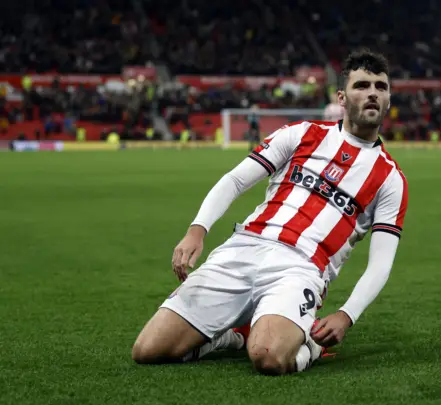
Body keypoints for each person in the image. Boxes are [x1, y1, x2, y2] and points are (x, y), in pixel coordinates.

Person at [131, 48, 409, 376]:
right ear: (342, 97)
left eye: (381, 86)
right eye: (362, 85)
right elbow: (235, 180)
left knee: (269, 357)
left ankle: (311, 347)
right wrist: (198, 229)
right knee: (148, 350)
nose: (373, 93)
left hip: (300, 268)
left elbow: (381, 263)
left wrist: (346, 315)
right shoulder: (300, 134)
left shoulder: (390, 179)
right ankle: (231, 338)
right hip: (243, 249)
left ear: (389, 98)